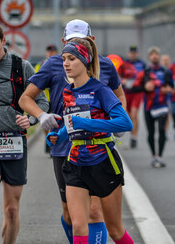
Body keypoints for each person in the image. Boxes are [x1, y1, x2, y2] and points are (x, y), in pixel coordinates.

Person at [19, 19, 126, 244]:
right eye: (69, 45)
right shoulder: (54, 67)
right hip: (65, 149)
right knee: (70, 214)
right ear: (62, 43)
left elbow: (118, 96)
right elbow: (26, 98)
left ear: (91, 44)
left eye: (81, 43)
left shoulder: (104, 69)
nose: (68, 62)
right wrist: (43, 117)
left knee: (95, 213)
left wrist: (115, 122)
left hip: (98, 147)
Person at [47, 37, 134, 243]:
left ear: (84, 61)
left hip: (103, 162)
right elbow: (71, 123)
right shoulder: (67, 91)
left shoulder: (101, 90)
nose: (66, 64)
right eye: (64, 59)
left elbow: (125, 123)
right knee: (78, 226)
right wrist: (57, 136)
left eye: (71, 59)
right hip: (76, 161)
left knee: (115, 230)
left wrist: (87, 124)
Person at [0, 22, 49, 244]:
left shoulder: (22, 66)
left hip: (15, 142)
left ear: (4, 41)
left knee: (12, 209)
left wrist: (32, 119)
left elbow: (41, 101)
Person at [144, 46, 174, 168]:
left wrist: (167, 90)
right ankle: (153, 156)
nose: (154, 56)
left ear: (159, 56)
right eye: (152, 54)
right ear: (149, 57)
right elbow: (139, 87)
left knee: (161, 130)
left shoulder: (166, 71)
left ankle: (160, 157)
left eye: (156, 54)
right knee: (151, 133)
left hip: (162, 105)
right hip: (149, 106)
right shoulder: (146, 71)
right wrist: (146, 87)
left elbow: (172, 88)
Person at [118, 45, 145, 148]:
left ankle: (134, 137)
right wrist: (122, 80)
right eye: (131, 53)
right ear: (128, 53)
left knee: (134, 114)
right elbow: (118, 76)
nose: (133, 54)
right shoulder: (124, 64)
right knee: (128, 115)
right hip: (126, 92)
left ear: (137, 53)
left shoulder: (142, 64)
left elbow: (146, 76)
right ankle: (132, 135)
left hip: (137, 93)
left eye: (135, 53)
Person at [34, 44, 58, 155]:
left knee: (56, 121)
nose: (51, 53)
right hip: (44, 99)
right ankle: (47, 139)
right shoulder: (41, 64)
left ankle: (54, 141)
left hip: (56, 98)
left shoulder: (60, 64)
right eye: (49, 51)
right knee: (45, 122)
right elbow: (35, 78)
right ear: (46, 53)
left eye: (53, 51)